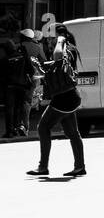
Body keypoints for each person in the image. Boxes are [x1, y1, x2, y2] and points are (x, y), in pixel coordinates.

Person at [27, 25, 85, 178]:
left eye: (52, 37)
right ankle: (80, 167)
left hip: (64, 99)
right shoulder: (68, 49)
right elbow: (57, 68)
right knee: (72, 132)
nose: (50, 40)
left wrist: (60, 41)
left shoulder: (66, 48)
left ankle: (43, 167)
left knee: (43, 127)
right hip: (68, 97)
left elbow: (58, 57)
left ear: (61, 36)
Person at [5, 28, 45, 137]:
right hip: (34, 78)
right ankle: (24, 127)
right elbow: (43, 61)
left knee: (16, 104)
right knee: (27, 102)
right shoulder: (37, 47)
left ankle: (16, 127)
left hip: (20, 79)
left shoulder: (18, 47)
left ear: (23, 37)